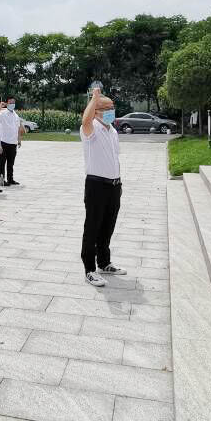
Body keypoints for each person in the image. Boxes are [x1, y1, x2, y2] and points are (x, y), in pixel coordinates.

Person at [79, 86, 126, 287]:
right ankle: (89, 269)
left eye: (112, 107)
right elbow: (85, 120)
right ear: (96, 111)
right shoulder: (90, 129)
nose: (111, 111)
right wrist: (95, 98)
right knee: (93, 227)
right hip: (96, 185)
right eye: (107, 108)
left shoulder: (112, 130)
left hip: (114, 186)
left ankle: (104, 262)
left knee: (108, 226)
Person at [0, 97, 23, 186]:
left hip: (13, 143)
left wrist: (19, 140)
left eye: (13, 103)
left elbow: (18, 128)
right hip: (4, 141)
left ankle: (10, 179)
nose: (12, 104)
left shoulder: (16, 115)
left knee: (10, 163)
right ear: (7, 103)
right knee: (2, 162)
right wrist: (1, 106)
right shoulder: (2, 113)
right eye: (10, 102)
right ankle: (1, 180)